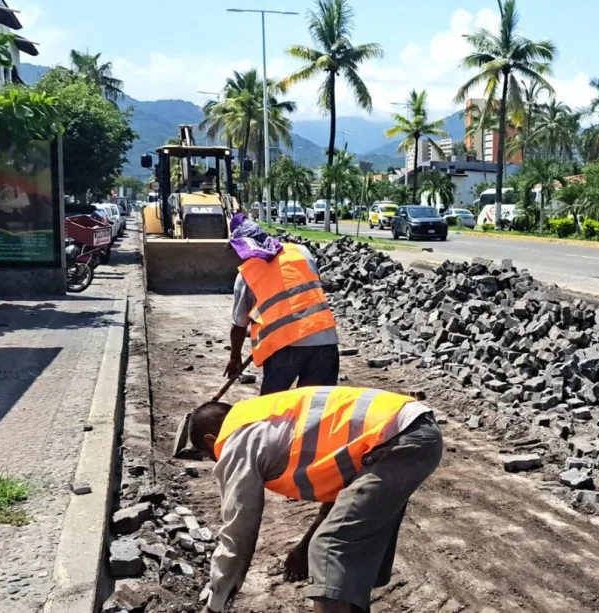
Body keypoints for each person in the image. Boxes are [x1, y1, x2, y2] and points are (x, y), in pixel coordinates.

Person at [190, 385, 444, 613]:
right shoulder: (267, 418)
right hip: (410, 432)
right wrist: (303, 546)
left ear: (211, 440)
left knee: (331, 547)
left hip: (398, 440)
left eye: (209, 455)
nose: (217, 462)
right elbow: (342, 497)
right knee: (347, 556)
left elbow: (238, 531)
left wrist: (215, 603)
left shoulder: (237, 439)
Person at [226, 214, 340, 394]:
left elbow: (239, 325)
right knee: (316, 407)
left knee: (273, 410)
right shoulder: (301, 252)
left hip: (284, 348)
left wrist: (235, 358)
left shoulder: (246, 276)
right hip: (325, 340)